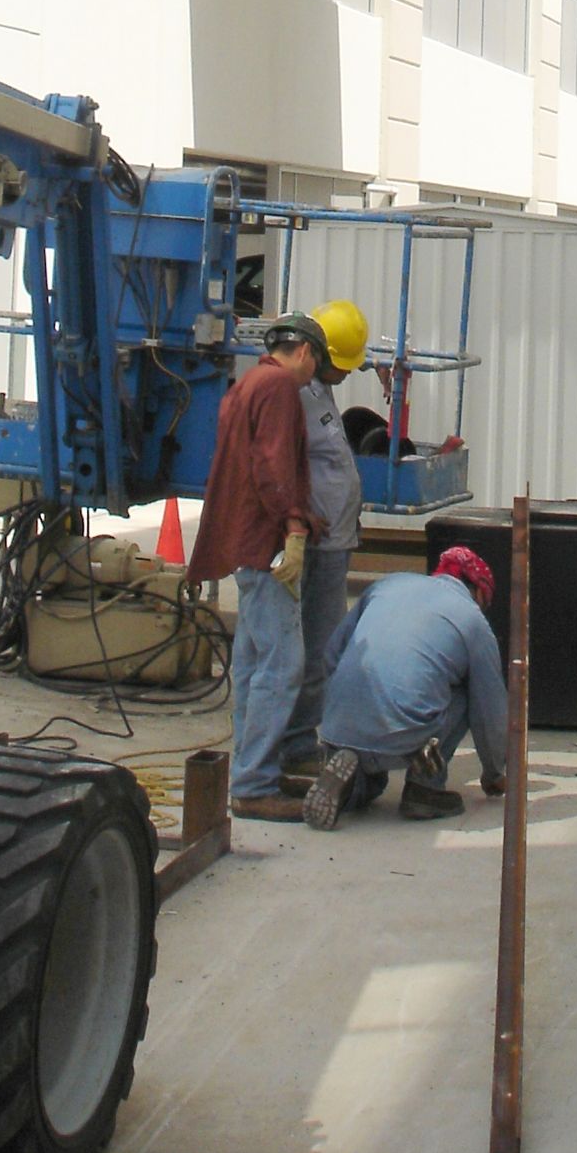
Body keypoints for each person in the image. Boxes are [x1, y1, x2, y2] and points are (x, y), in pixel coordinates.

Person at [186, 316, 320, 822]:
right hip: (266, 545)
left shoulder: (247, 384)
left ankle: (250, 769)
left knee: (252, 663)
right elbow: (273, 465)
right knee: (283, 664)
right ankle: (254, 783)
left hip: (244, 542)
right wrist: (294, 526)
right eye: (317, 364)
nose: (314, 376)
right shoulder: (280, 387)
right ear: (304, 352)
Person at [304, 545, 508, 828]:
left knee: (372, 785)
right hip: (404, 734)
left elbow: (332, 654)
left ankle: (352, 781)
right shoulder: (473, 620)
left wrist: (339, 713)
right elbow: (490, 710)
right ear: (479, 593)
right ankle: (424, 787)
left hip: (339, 724)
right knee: (468, 691)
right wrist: (494, 772)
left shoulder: (388, 585)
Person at [279, 300, 370, 795]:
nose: (348, 373)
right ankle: (294, 745)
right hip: (314, 543)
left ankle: (297, 739)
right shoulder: (293, 394)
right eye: (345, 365)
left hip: (333, 538)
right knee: (312, 649)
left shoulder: (320, 386)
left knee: (322, 644)